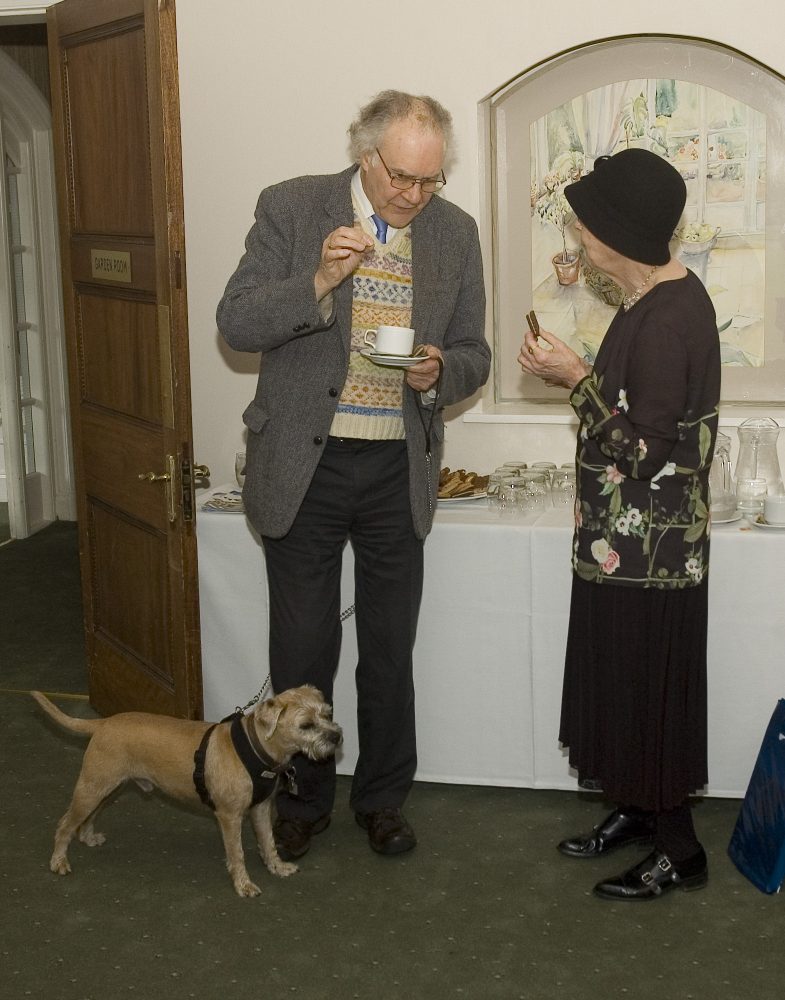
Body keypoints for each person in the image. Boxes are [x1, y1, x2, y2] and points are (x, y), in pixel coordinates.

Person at [216, 90, 489, 860]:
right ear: (364, 156)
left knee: (389, 651)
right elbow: (236, 322)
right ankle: (302, 801)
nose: (414, 195)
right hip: (304, 466)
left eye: (429, 180)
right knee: (303, 652)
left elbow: (474, 351)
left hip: (397, 469)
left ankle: (382, 799)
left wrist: (439, 371)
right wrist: (316, 282)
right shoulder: (292, 207)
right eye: (400, 176)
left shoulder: (454, 232)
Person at [518, 148, 720, 901]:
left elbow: (641, 454)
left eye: (584, 223)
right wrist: (578, 376)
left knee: (647, 700)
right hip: (625, 547)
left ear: (618, 232)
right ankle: (638, 809)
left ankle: (679, 851)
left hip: (651, 555)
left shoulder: (668, 317)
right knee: (626, 693)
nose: (576, 233)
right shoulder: (650, 300)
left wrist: (575, 381)